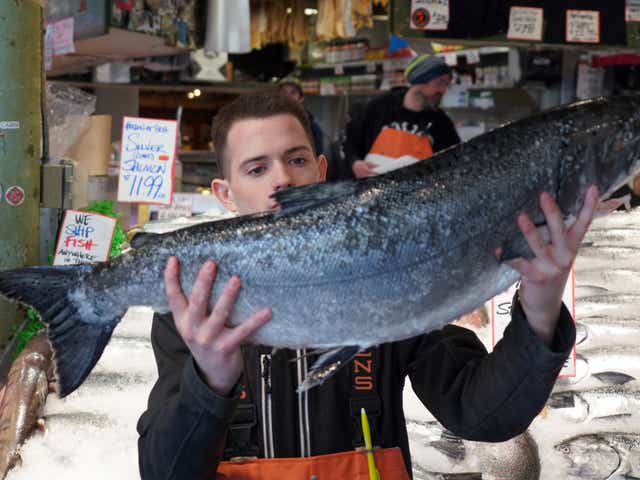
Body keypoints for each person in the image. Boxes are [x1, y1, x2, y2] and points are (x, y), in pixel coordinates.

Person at [137, 92, 597, 479]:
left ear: (320, 170)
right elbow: (163, 472)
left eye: (296, 159)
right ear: (224, 193)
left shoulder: (396, 272)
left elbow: (482, 414)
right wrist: (209, 384)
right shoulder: (194, 309)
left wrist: (540, 314)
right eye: (256, 169)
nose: (282, 180)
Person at [342, 53, 461, 179]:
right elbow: (350, 143)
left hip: (419, 190)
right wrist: (354, 163)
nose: (443, 90)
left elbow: (454, 162)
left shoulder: (442, 123)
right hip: (372, 187)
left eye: (447, 85)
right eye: (440, 82)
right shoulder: (379, 107)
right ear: (420, 79)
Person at [278, 77, 325, 155]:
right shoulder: (272, 121)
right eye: (284, 92)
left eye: (293, 93)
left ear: (301, 98)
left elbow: (317, 153)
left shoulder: (310, 123)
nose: (288, 96)